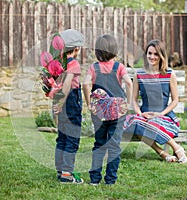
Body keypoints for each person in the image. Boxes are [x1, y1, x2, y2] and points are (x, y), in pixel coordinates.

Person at [123, 39, 187, 164]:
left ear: (161, 56)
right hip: (144, 117)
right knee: (138, 122)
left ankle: (175, 149)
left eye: (156, 54)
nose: (152, 57)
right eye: (149, 53)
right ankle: (164, 152)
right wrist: (140, 113)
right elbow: (134, 100)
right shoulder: (139, 74)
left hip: (165, 117)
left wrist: (161, 114)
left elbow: (175, 101)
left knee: (146, 124)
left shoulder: (169, 74)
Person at [83, 34, 132, 185]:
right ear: (114, 50)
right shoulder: (119, 67)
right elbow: (129, 83)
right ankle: (110, 180)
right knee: (114, 145)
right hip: (117, 111)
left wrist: (89, 103)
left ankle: (95, 180)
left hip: (99, 112)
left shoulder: (93, 67)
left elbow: (85, 84)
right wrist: (128, 103)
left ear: (97, 51)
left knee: (99, 144)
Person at [52, 29, 85, 183]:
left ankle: (60, 171)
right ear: (76, 49)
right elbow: (66, 85)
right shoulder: (73, 64)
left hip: (61, 100)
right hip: (70, 102)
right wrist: (60, 102)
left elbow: (55, 84)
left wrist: (56, 103)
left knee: (62, 137)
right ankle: (67, 174)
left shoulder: (58, 63)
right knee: (72, 137)